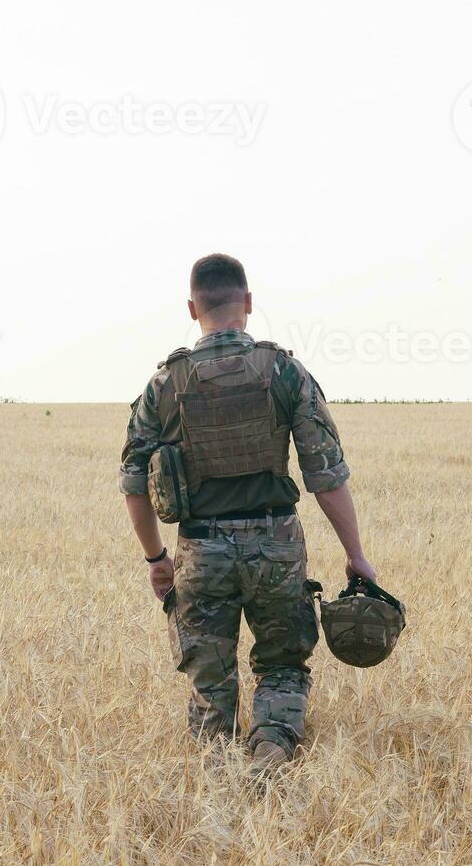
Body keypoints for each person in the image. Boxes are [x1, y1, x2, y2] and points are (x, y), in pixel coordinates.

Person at [118, 253, 377, 771]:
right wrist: (356, 556)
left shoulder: (164, 386)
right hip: (276, 545)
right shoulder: (284, 371)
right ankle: (272, 755)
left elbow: (133, 486)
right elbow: (326, 476)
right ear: (249, 304)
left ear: (193, 309)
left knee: (209, 679)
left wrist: (156, 561)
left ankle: (216, 776)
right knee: (282, 664)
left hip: (201, 549)